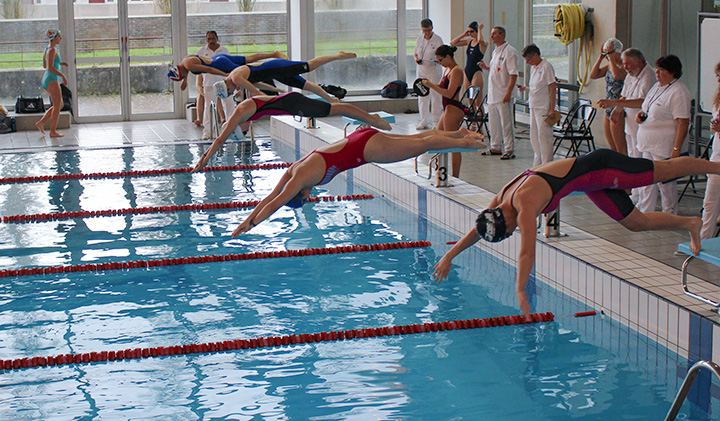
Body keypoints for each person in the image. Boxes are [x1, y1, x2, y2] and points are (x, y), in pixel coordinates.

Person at [432, 149, 720, 319]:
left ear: (507, 222)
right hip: (592, 184)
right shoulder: (500, 202)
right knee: (636, 223)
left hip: (603, 168)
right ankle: (689, 224)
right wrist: (449, 255)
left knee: (665, 170)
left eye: (510, 231)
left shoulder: (524, 204)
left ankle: (714, 166)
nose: (514, 231)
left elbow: (527, 250)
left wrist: (520, 289)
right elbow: (478, 230)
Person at [230, 128, 487, 237]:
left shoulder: (300, 178)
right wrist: (247, 219)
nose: (310, 198)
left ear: (300, 195)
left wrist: (250, 225)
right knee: (418, 138)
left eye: (305, 199)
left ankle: (465, 143)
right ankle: (458, 134)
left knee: (423, 145)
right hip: (362, 138)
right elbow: (269, 197)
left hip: (366, 149)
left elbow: (276, 203)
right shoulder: (294, 170)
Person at [192, 92, 393, 172]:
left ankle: (371, 118)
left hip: (293, 104)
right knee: (334, 109)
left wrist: (205, 159)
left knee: (336, 109)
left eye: (243, 131)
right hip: (291, 103)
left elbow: (220, 139)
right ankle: (369, 118)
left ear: (238, 126)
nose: (247, 129)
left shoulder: (240, 114)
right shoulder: (242, 112)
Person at [597, 48, 656, 203]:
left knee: (640, 161)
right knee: (632, 156)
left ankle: (643, 197)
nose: (626, 68)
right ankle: (635, 194)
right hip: (630, 124)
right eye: (624, 64)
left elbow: (642, 101)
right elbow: (625, 95)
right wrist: (617, 109)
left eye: (629, 64)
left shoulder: (648, 75)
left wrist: (615, 103)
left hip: (643, 126)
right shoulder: (632, 74)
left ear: (640, 61)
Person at [635, 55, 691, 216]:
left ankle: (669, 214)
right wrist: (640, 114)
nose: (657, 72)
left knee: (665, 183)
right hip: (647, 142)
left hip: (664, 146)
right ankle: (646, 211)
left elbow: (683, 122)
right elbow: (647, 108)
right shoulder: (657, 87)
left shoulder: (679, 91)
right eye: (657, 69)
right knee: (647, 179)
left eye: (662, 70)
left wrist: (676, 149)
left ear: (672, 72)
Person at [213, 52, 357, 103]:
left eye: (230, 92)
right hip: (277, 74)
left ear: (226, 86)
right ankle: (332, 100)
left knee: (310, 65)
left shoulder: (236, 78)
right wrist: (277, 90)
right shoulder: (234, 78)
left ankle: (338, 56)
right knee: (307, 86)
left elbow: (256, 93)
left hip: (277, 67)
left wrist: (269, 102)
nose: (233, 92)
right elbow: (258, 85)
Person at [421, 45, 466, 177]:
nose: (439, 63)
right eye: (437, 61)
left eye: (440, 60)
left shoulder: (457, 71)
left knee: (455, 145)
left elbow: (449, 93)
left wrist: (431, 86)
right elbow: (441, 86)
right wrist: (429, 83)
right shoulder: (448, 69)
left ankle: (456, 177)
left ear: (448, 57)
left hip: (454, 109)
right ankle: (440, 172)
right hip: (447, 109)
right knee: (439, 140)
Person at [479, 26, 519, 160]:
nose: (491, 37)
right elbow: (497, 70)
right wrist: (486, 68)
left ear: (502, 35)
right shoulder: (495, 52)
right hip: (493, 94)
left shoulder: (510, 52)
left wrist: (508, 93)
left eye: (494, 34)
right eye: (491, 34)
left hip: (503, 94)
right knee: (494, 122)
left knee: (506, 123)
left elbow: (513, 74)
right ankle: (495, 146)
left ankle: (509, 149)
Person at [167, 50, 287, 91]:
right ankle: (274, 54)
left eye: (182, 77)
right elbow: (187, 69)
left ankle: (276, 87)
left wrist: (225, 74)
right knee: (248, 58)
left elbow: (209, 69)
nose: (183, 78)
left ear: (180, 72)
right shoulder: (185, 61)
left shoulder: (189, 66)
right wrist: (185, 81)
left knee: (247, 77)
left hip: (220, 64)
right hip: (219, 58)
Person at [517, 44, 557, 166]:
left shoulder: (546, 67)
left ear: (536, 55)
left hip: (544, 107)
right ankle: (538, 161)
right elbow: (538, 87)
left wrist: (552, 109)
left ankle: (547, 163)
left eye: (529, 59)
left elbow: (552, 88)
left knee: (544, 136)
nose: (528, 63)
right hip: (534, 106)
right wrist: (526, 89)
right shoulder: (535, 68)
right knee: (534, 135)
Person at [590, 38, 627, 154]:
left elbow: (617, 76)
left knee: (621, 147)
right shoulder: (610, 66)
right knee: (612, 147)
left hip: (618, 108)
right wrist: (601, 57)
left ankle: (625, 169)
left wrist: (611, 58)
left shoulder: (625, 67)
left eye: (608, 53)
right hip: (608, 107)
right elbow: (593, 75)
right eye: (605, 53)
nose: (607, 56)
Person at [194, 31, 232, 138]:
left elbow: (230, 66)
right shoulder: (201, 51)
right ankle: (208, 132)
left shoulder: (224, 51)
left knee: (229, 105)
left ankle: (230, 129)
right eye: (209, 39)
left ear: (217, 38)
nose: (211, 41)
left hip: (224, 83)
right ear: (206, 40)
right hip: (209, 84)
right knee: (209, 108)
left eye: (213, 39)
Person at [700, 62, 720, 239]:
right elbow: (714, 125)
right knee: (710, 203)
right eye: (718, 77)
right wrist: (715, 127)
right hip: (717, 159)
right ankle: (704, 240)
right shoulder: (717, 101)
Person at [36, 29, 68, 138]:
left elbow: (45, 65)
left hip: (48, 78)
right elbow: (49, 67)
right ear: (54, 38)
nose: (61, 38)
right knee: (57, 105)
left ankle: (41, 122)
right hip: (51, 80)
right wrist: (62, 75)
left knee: (59, 105)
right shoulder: (52, 50)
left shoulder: (48, 48)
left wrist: (59, 63)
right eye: (59, 37)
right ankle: (52, 132)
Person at [414, 19, 444, 130]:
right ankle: (424, 121)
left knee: (435, 96)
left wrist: (437, 59)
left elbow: (441, 55)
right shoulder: (419, 39)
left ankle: (436, 121)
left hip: (434, 71)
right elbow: (416, 53)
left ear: (432, 28)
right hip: (421, 70)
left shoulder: (437, 39)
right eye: (425, 30)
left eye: (429, 30)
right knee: (422, 95)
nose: (427, 33)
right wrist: (416, 59)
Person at [450, 21, 488, 103]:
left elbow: (480, 40)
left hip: (476, 72)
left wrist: (480, 29)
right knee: (470, 99)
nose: (470, 33)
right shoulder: (469, 41)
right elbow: (453, 43)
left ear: (477, 31)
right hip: (467, 71)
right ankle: (472, 114)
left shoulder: (483, 43)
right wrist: (464, 35)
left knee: (477, 99)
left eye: (472, 31)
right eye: (469, 31)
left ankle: (480, 114)